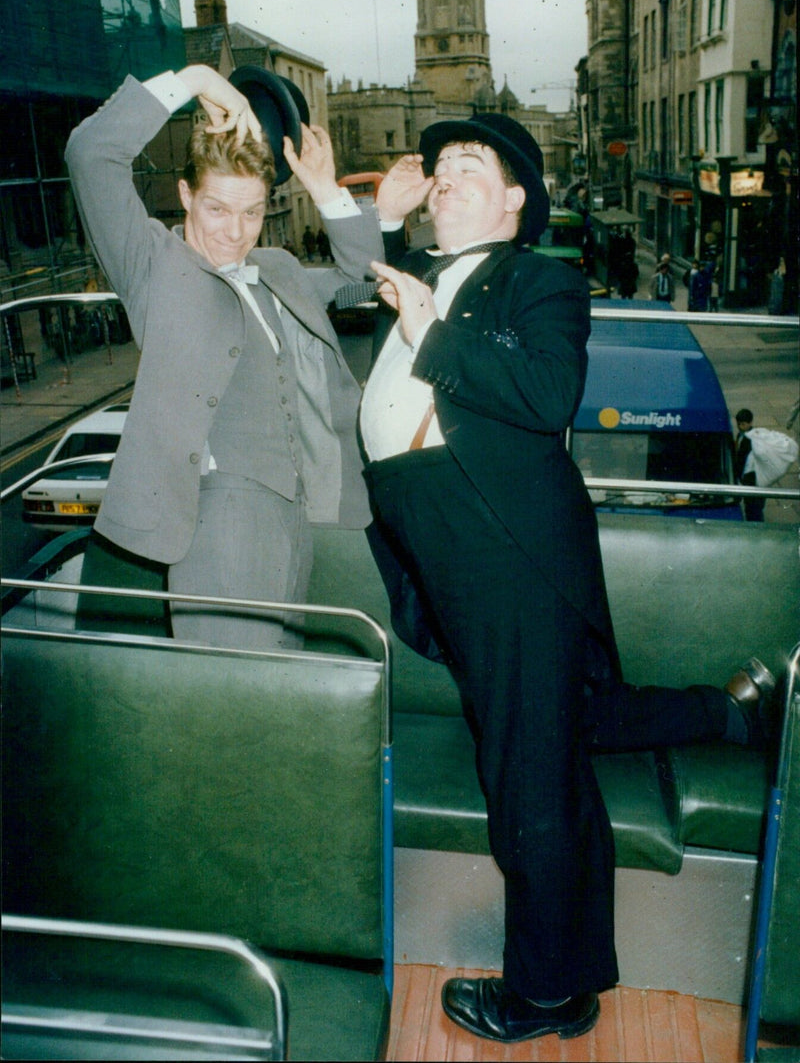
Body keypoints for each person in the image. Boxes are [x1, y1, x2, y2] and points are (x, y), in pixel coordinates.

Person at [357, 114, 775, 1044]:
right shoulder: (430, 278)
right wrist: (388, 232)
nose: (446, 174)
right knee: (563, 727)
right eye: (440, 168)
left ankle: (544, 994)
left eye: (470, 165)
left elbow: (547, 395)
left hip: (504, 546)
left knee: (526, 775)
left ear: (515, 202)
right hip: (452, 547)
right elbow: (390, 305)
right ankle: (737, 711)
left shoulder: (541, 280)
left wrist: (429, 332)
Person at [66, 63, 382, 649]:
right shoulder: (153, 266)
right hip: (219, 524)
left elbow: (360, 278)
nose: (236, 232)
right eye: (217, 209)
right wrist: (195, 79)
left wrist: (323, 188)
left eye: (253, 212)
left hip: (296, 517)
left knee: (276, 687)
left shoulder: (277, 269)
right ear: (185, 195)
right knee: (230, 707)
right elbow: (91, 154)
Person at [734, 408, 766, 522]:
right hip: (746, 478)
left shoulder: (754, 439)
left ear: (750, 423)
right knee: (750, 507)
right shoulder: (741, 435)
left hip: (754, 480)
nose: (740, 427)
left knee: (754, 509)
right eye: (738, 424)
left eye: (743, 424)